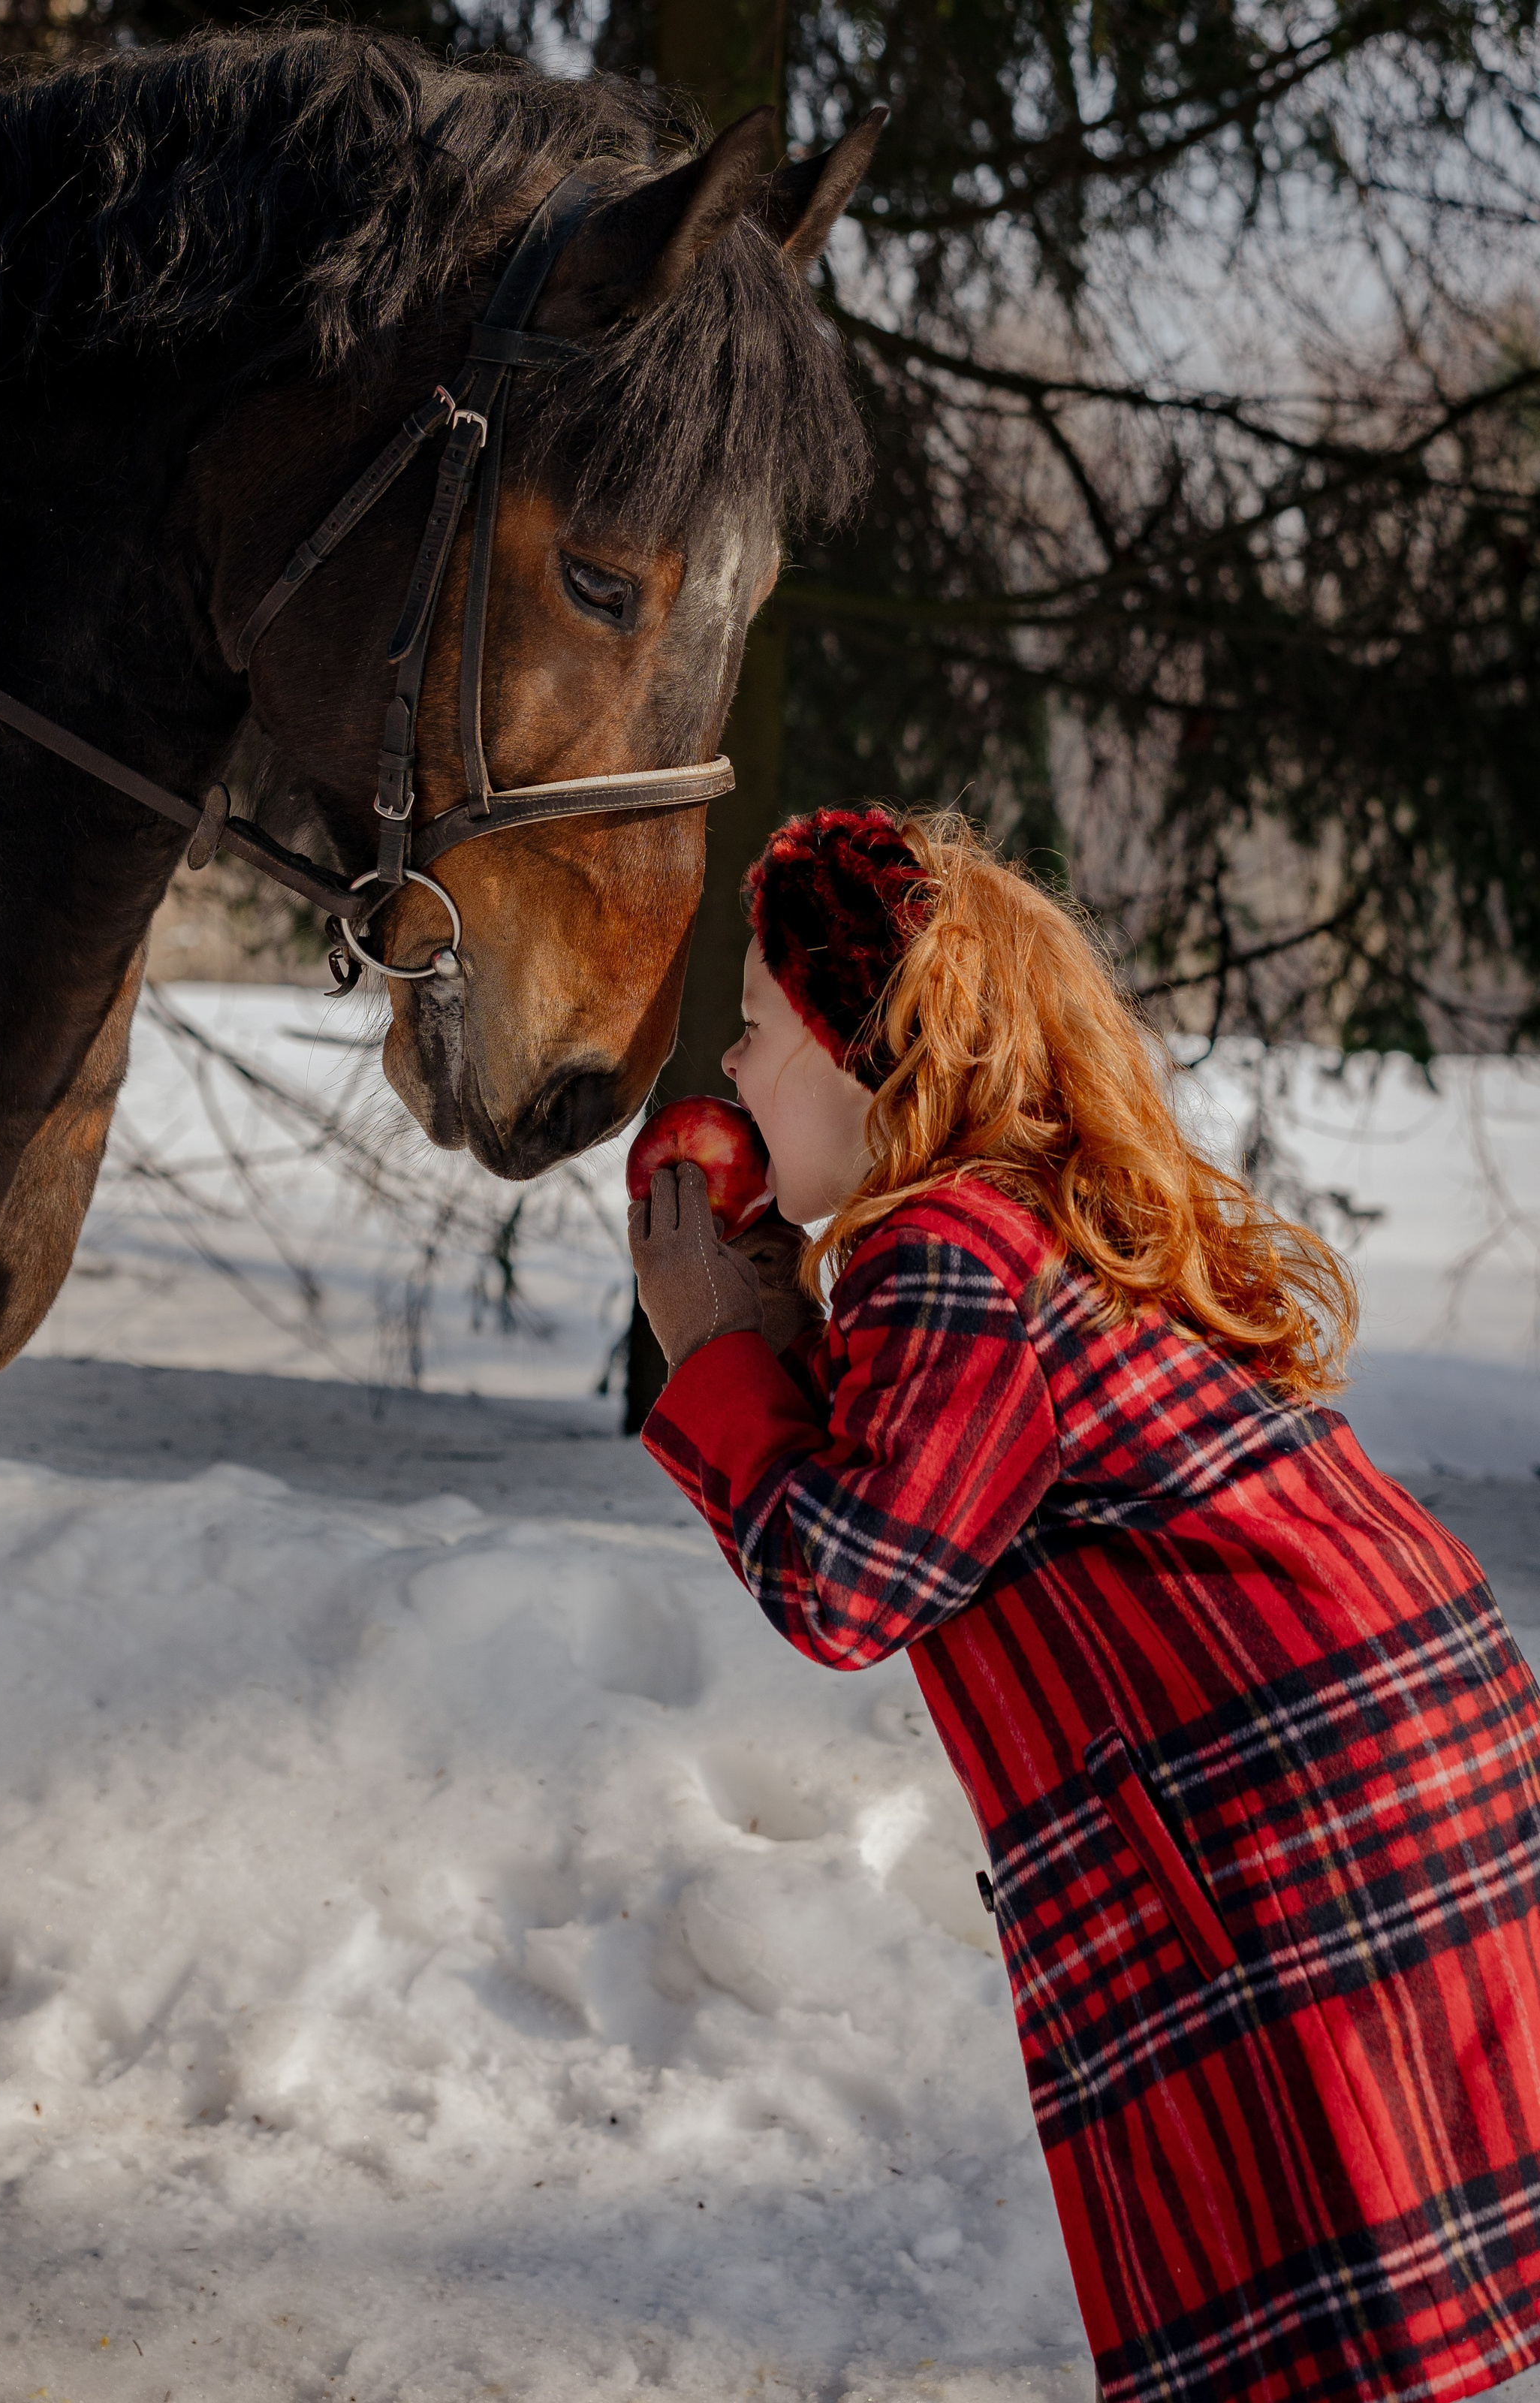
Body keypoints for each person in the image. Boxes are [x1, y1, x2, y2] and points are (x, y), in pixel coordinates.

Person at [629, 806, 1540, 2403]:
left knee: (1309, 2339)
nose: (728, 1056)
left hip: (1284, 1819)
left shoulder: (938, 1245)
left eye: (760, 1024)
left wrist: (712, 1346)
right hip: (1408, 1753)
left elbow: (852, 1580)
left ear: (863, 1054)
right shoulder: (1034, 1216)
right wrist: (781, 1344)